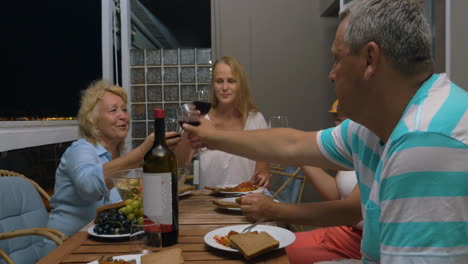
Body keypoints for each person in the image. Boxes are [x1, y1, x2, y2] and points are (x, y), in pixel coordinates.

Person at [183, 1, 468, 263]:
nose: (331, 74)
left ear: (370, 60)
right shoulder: (373, 125)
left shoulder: (424, 143)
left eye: (337, 59)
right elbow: (294, 144)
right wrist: (213, 136)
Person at [46, 80, 181, 239]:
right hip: (66, 245)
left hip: (106, 239)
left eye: (124, 110)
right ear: (93, 120)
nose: (123, 116)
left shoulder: (121, 155)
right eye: (113, 110)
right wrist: (144, 150)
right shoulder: (80, 149)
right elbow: (89, 187)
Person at [285, 100, 362, 263]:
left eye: (343, 119)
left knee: (272, 253)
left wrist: (274, 210)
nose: (338, 126)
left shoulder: (375, 145)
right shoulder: (352, 147)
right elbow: (335, 193)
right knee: (274, 245)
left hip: (357, 243)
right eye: (336, 119)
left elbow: (349, 210)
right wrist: (301, 158)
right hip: (338, 232)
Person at [176, 56, 271, 188]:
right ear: (213, 84)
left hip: (245, 200)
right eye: (219, 81)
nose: (224, 87)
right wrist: (188, 132)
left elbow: (262, 170)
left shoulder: (255, 119)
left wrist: (262, 178)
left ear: (240, 84)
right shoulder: (202, 120)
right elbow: (178, 165)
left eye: (231, 81)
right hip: (208, 202)